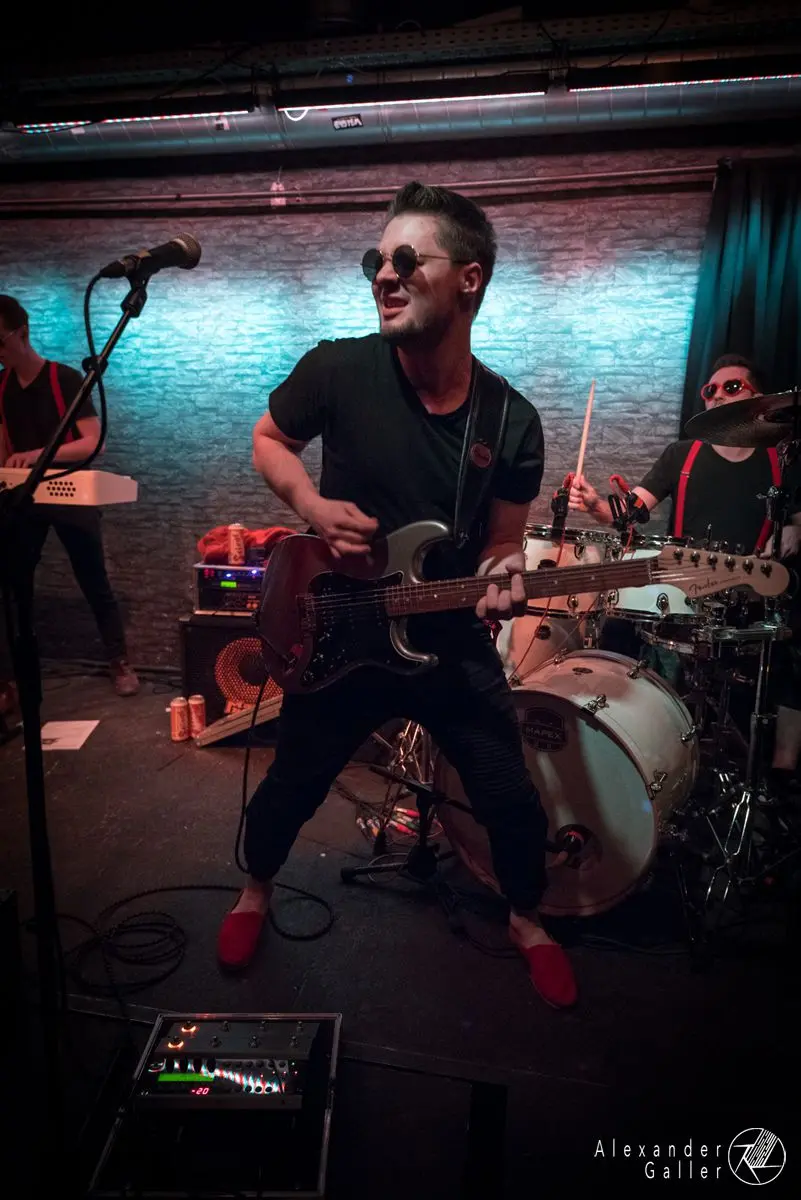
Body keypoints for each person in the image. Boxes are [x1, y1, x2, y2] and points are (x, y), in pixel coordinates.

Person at [217, 182, 577, 1008]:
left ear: (468, 279)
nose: (383, 274)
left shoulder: (510, 420)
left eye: (407, 259)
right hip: (340, 630)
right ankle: (254, 889)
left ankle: (526, 918)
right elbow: (269, 440)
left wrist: (501, 576)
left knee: (507, 794)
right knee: (291, 783)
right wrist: (309, 505)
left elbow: (501, 543)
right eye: (375, 261)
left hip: (444, 639)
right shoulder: (337, 368)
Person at [568, 353, 801, 776]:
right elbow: (629, 513)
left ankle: (781, 773)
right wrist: (596, 504)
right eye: (709, 390)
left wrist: (791, 532)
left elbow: (798, 523)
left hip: (751, 596)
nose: (717, 396)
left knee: (793, 647)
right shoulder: (682, 454)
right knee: (616, 627)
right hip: (683, 592)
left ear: (760, 399)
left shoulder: (781, 461)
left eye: (732, 387)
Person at [0, 295, 139, 697]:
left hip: (68, 490)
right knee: (13, 584)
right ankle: (12, 677)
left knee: (93, 578)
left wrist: (39, 455)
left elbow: (93, 442)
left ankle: (119, 660)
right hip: (22, 494)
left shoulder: (63, 379)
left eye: (0, 341)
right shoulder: (2, 386)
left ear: (23, 333)